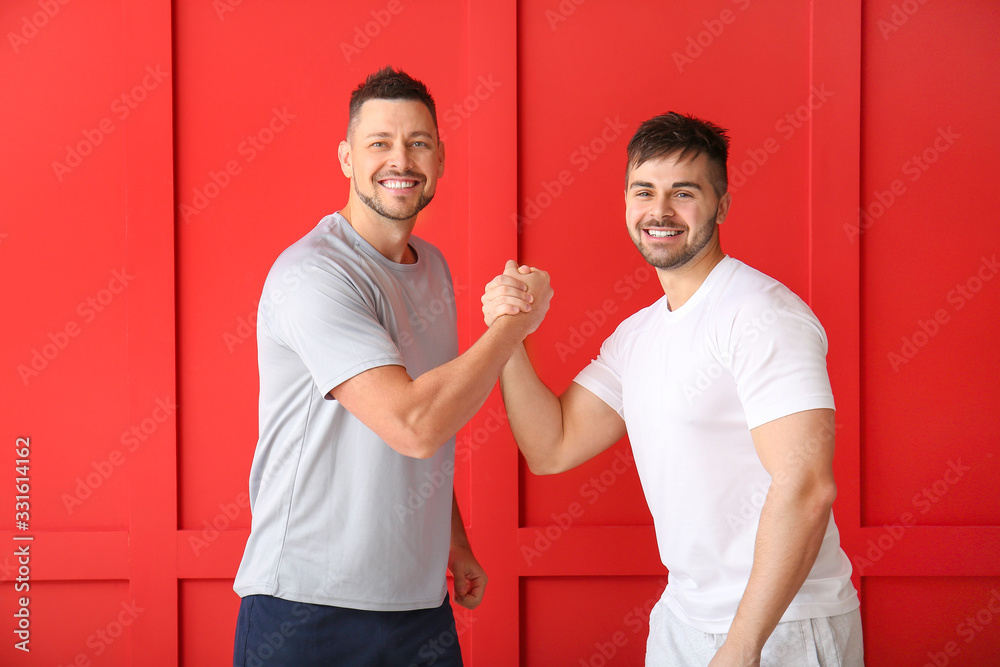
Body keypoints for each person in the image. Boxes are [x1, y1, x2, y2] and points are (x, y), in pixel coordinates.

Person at [482, 112, 862, 666]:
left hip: (784, 626)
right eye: (644, 191)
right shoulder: (637, 336)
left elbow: (807, 486)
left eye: (683, 193)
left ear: (721, 206)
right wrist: (510, 334)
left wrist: (741, 646)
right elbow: (552, 446)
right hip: (682, 620)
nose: (659, 212)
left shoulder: (763, 314)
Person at [232, 66, 551, 666]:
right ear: (346, 158)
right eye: (379, 143)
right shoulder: (314, 275)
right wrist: (513, 326)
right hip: (307, 606)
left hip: (417, 606)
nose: (400, 159)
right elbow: (413, 423)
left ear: (440, 159)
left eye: (418, 143)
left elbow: (428, 410)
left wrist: (451, 540)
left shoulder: (428, 265)